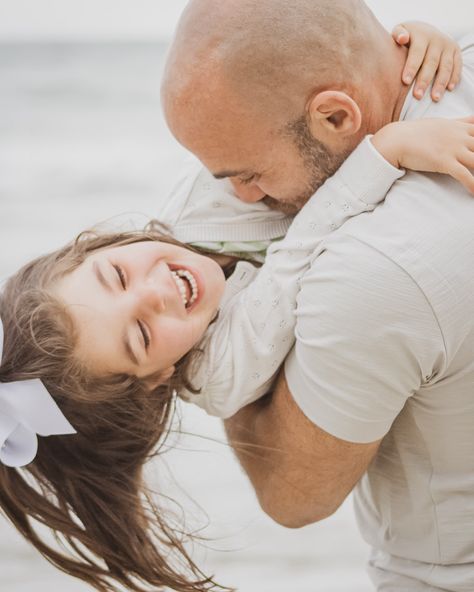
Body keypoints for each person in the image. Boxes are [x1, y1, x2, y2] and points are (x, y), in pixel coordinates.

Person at [1, 112, 472, 592]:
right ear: (157, 377)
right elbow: (300, 255)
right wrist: (385, 152)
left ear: (97, 245)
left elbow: (259, 117)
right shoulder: (223, 369)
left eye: (117, 275)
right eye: (141, 334)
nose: (152, 293)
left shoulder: (186, 209)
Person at [160, 2, 474, 591]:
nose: (242, 199)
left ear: (335, 117)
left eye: (247, 172)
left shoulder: (371, 270)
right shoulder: (459, 48)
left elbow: (292, 493)